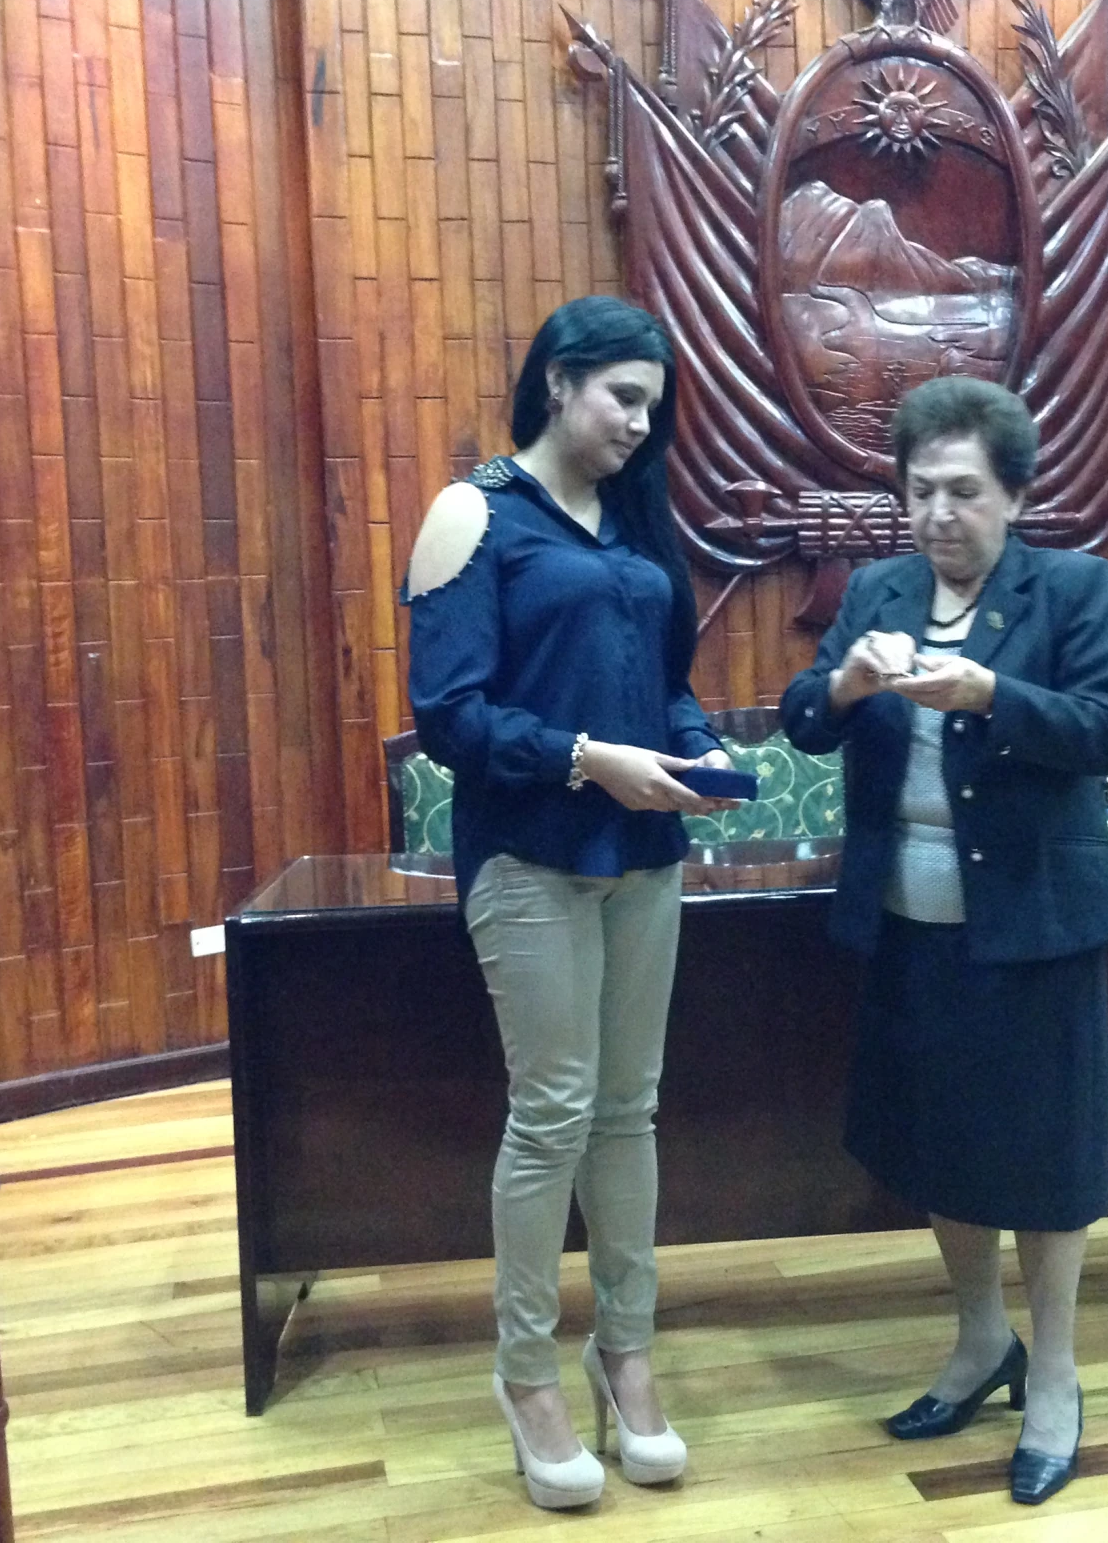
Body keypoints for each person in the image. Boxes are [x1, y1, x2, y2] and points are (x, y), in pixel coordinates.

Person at [403, 295, 738, 1510]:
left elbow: (671, 691)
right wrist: (586, 756)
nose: (640, 428)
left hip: (645, 857)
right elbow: (449, 716)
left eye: (653, 407)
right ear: (556, 381)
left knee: (629, 1112)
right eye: (622, 400)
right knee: (552, 1113)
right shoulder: (473, 515)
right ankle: (525, 1375)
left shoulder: (641, 522)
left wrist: (694, 755)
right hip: (530, 855)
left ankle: (626, 1355)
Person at [779, 376, 1108, 1508]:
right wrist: (840, 680)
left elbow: (1102, 731)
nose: (937, 513)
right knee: (939, 1145)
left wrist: (988, 693)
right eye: (918, 490)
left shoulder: (1073, 587)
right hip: (905, 924)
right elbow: (801, 719)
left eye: (963, 491)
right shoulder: (877, 587)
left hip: (1030, 924)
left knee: (1041, 1156)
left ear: (1015, 496)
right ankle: (981, 1342)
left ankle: (1057, 1375)